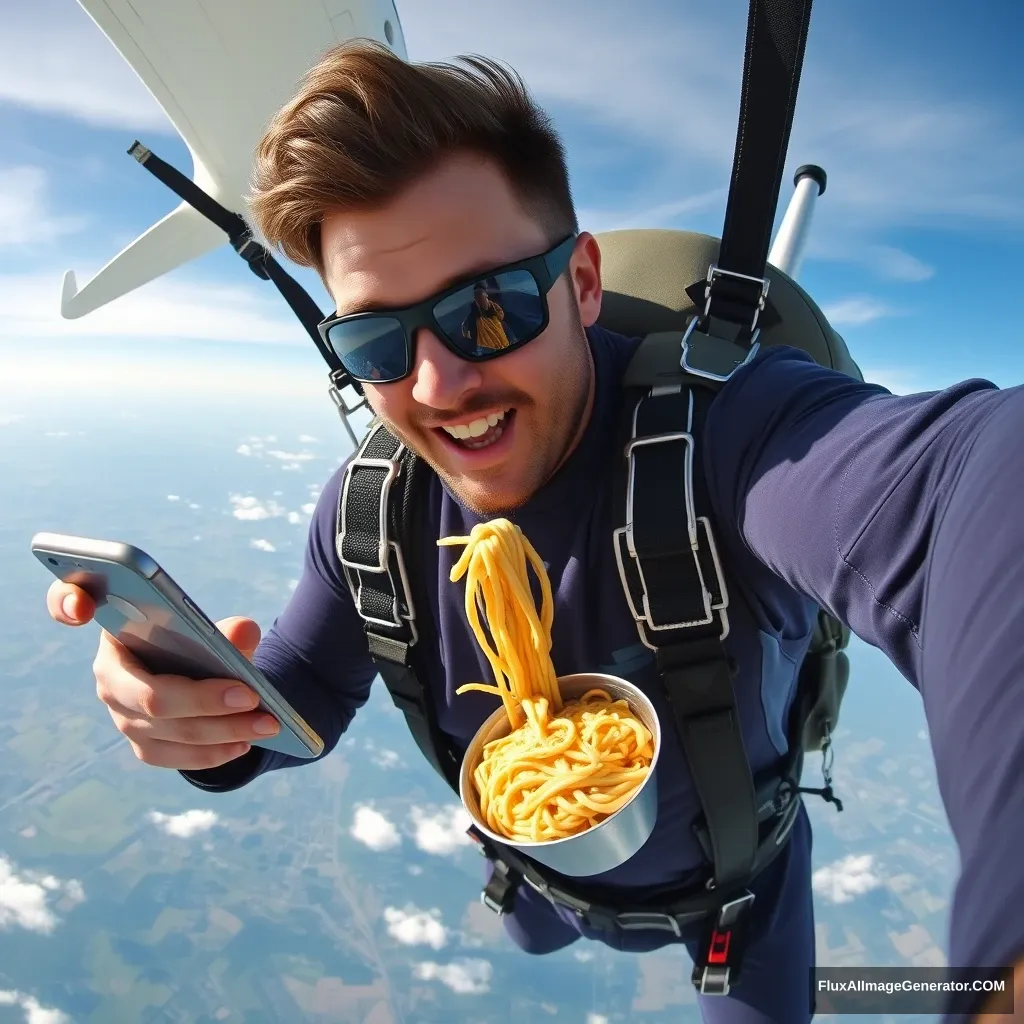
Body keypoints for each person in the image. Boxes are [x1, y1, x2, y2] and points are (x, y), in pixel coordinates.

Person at [45, 41, 1022, 1023]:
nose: (438, 386)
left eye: (488, 307)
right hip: (537, 874)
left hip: (740, 895)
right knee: (539, 927)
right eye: (377, 341)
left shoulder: (726, 443)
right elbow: (301, 693)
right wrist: (205, 715)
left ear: (583, 283)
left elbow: (966, 491)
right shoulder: (368, 513)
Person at [462, 284, 511, 350]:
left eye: (482, 298)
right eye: (478, 298)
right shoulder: (473, 318)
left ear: (486, 296)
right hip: (486, 348)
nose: (481, 301)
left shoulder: (494, 308)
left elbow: (500, 316)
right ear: (475, 300)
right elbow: (467, 332)